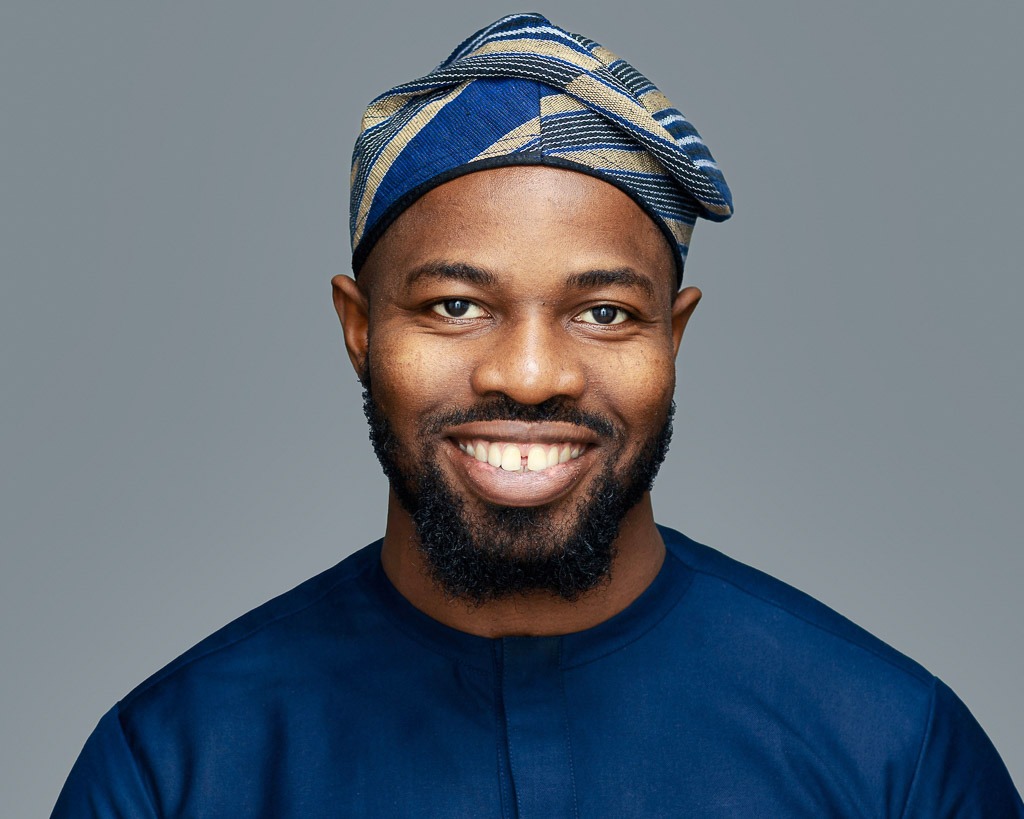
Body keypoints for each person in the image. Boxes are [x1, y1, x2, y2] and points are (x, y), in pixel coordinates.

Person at [52, 13, 1021, 817]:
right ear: (358, 327)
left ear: (671, 339)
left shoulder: (892, 753)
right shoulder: (172, 770)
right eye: (454, 306)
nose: (526, 374)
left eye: (603, 313)